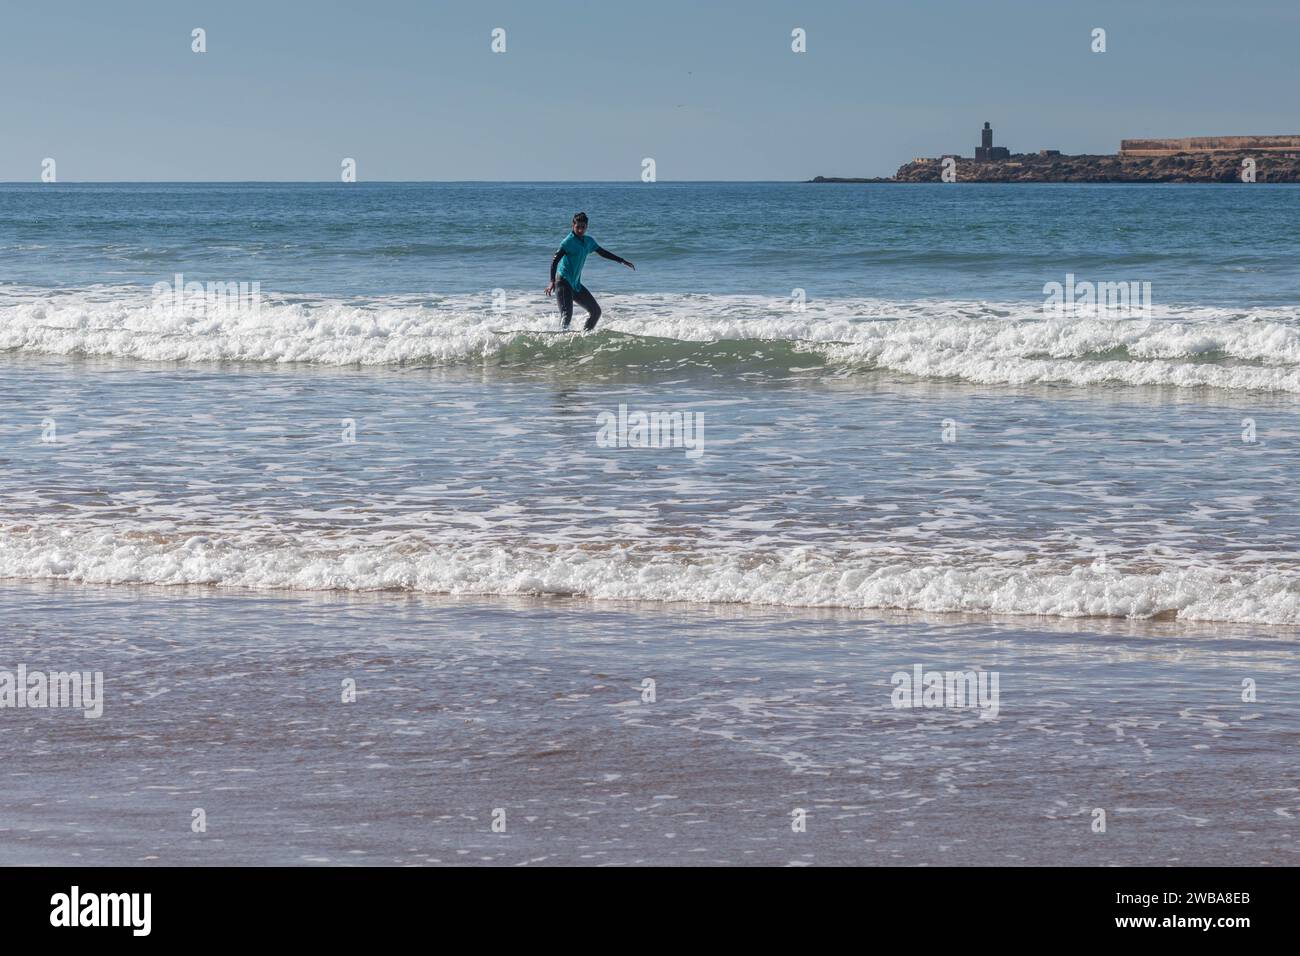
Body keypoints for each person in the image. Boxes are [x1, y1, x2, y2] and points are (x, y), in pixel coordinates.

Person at [545, 212, 634, 330]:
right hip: (562, 281)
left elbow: (602, 252)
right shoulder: (567, 242)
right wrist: (552, 281)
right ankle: (561, 341)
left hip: (575, 284)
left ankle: (585, 336)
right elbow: (554, 261)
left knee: (596, 311)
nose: (580, 230)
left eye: (583, 227)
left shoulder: (588, 241)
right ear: (573, 226)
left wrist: (622, 261)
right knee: (566, 316)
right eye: (578, 227)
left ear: (587, 226)